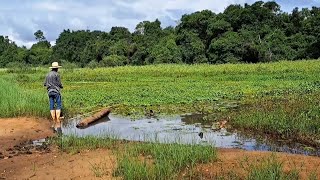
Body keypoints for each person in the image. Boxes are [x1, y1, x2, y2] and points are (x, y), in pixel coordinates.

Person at [44, 62, 63, 134]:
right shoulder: (57, 74)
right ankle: (58, 120)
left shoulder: (47, 74)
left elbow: (44, 84)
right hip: (56, 91)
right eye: (57, 68)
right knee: (58, 104)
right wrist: (61, 86)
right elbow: (59, 84)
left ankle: (53, 119)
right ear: (56, 68)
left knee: (51, 104)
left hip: (49, 92)